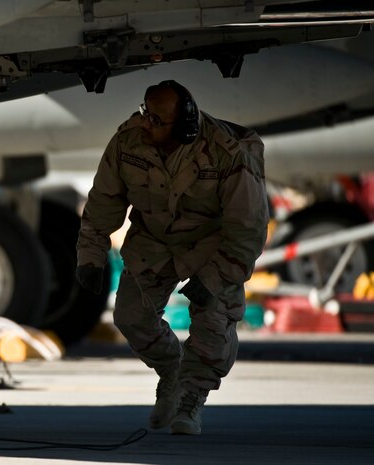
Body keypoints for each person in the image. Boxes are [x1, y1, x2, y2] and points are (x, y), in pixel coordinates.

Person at [76, 80, 268, 435]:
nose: (147, 123)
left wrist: (213, 280)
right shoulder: (128, 141)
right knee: (131, 317)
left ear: (184, 125)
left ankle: (191, 398)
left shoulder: (227, 153)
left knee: (213, 325)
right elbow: (104, 203)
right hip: (154, 241)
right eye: (146, 113)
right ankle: (171, 370)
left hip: (212, 247)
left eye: (157, 120)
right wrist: (91, 256)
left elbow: (247, 231)